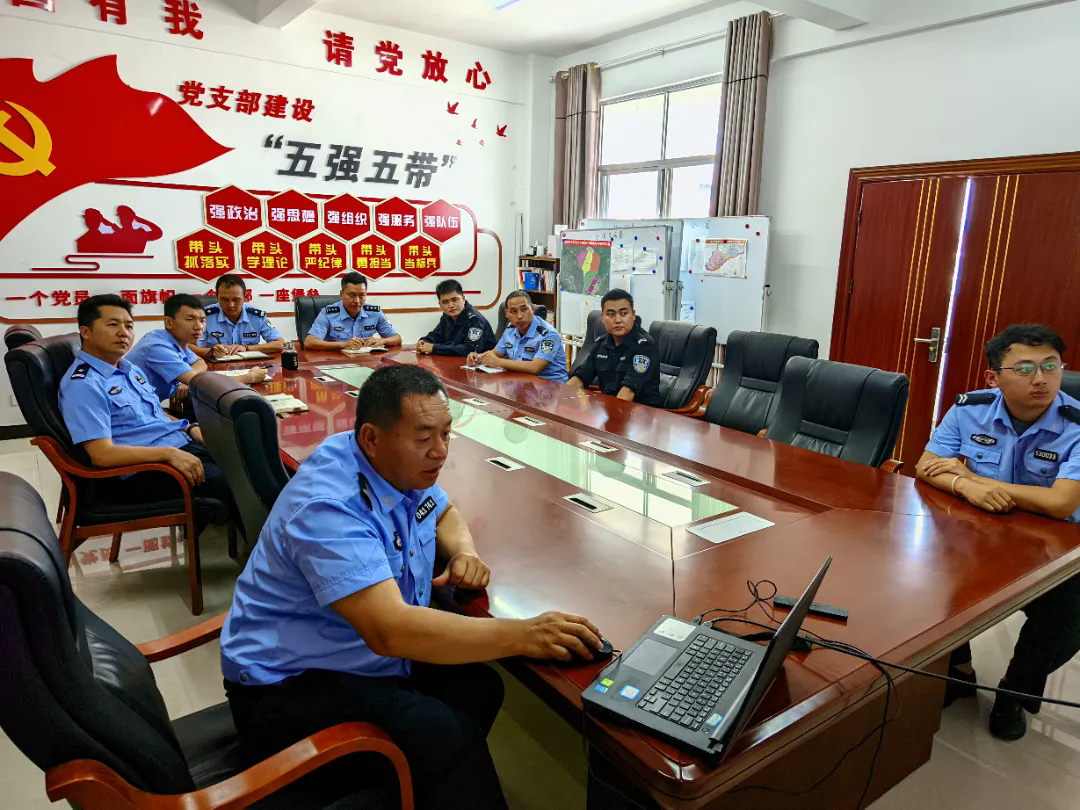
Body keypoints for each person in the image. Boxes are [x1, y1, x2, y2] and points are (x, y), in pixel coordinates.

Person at [220, 365, 604, 809]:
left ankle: (417, 787)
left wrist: (465, 551)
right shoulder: (330, 504)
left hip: (353, 653)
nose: (440, 451)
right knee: (446, 735)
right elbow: (390, 630)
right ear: (371, 437)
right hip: (285, 686)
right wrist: (526, 634)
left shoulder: (390, 465)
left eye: (446, 433)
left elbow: (442, 512)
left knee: (479, 688)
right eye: (424, 438)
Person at [916, 323, 1080, 741]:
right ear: (994, 377)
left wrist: (978, 479)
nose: (1041, 379)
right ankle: (960, 671)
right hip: (980, 534)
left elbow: (1062, 503)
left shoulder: (1076, 424)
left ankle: (1014, 691)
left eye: (1051, 366)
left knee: (1068, 615)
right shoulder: (969, 409)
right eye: (1024, 368)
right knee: (931, 575)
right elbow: (926, 466)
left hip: (1054, 545)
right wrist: (964, 484)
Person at [58, 294, 236, 520]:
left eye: (129, 326)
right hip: (145, 470)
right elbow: (102, 454)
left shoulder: (128, 368)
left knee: (248, 459)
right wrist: (169, 454)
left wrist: (190, 428)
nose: (123, 332)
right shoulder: (84, 384)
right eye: (113, 325)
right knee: (242, 484)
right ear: (86, 332)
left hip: (177, 446)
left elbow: (155, 413)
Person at [126, 294, 266, 410]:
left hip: (147, 408)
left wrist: (187, 378)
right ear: (168, 322)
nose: (199, 327)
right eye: (189, 319)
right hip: (133, 414)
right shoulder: (157, 347)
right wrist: (250, 377)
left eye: (202, 320)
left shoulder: (175, 341)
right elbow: (206, 386)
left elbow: (200, 361)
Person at [567, 288, 660, 406]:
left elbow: (628, 392)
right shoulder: (601, 343)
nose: (617, 320)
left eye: (624, 314)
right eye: (611, 314)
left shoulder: (645, 346)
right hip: (610, 408)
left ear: (633, 315)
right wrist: (559, 398)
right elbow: (580, 378)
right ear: (602, 317)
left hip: (640, 412)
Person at [467, 290, 568, 383]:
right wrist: (478, 357)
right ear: (507, 313)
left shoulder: (548, 334)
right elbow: (495, 353)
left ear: (532, 309)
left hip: (551, 386)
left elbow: (535, 368)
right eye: (513, 311)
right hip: (523, 382)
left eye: (524, 309)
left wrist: (499, 362)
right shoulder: (510, 330)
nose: (519, 316)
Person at [304, 272, 402, 351]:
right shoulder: (328, 313)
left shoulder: (374, 313)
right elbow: (309, 342)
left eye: (361, 295)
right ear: (341, 294)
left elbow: (397, 338)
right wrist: (343, 345)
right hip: (336, 362)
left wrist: (383, 341)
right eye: (352, 295)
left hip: (366, 361)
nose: (357, 301)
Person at [194, 274, 285, 360]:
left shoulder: (256, 316)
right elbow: (190, 347)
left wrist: (247, 348)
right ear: (217, 297)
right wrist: (210, 352)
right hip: (217, 365)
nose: (230, 305)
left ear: (245, 297)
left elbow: (280, 344)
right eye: (224, 299)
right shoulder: (204, 316)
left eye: (236, 299)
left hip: (250, 365)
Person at [416, 279, 496, 357]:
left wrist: (434, 348)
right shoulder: (447, 317)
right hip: (456, 362)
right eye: (445, 302)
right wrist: (424, 341)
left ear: (463, 299)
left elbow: (470, 349)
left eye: (455, 300)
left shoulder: (475, 319)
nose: (451, 305)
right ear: (440, 305)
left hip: (482, 363)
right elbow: (436, 336)